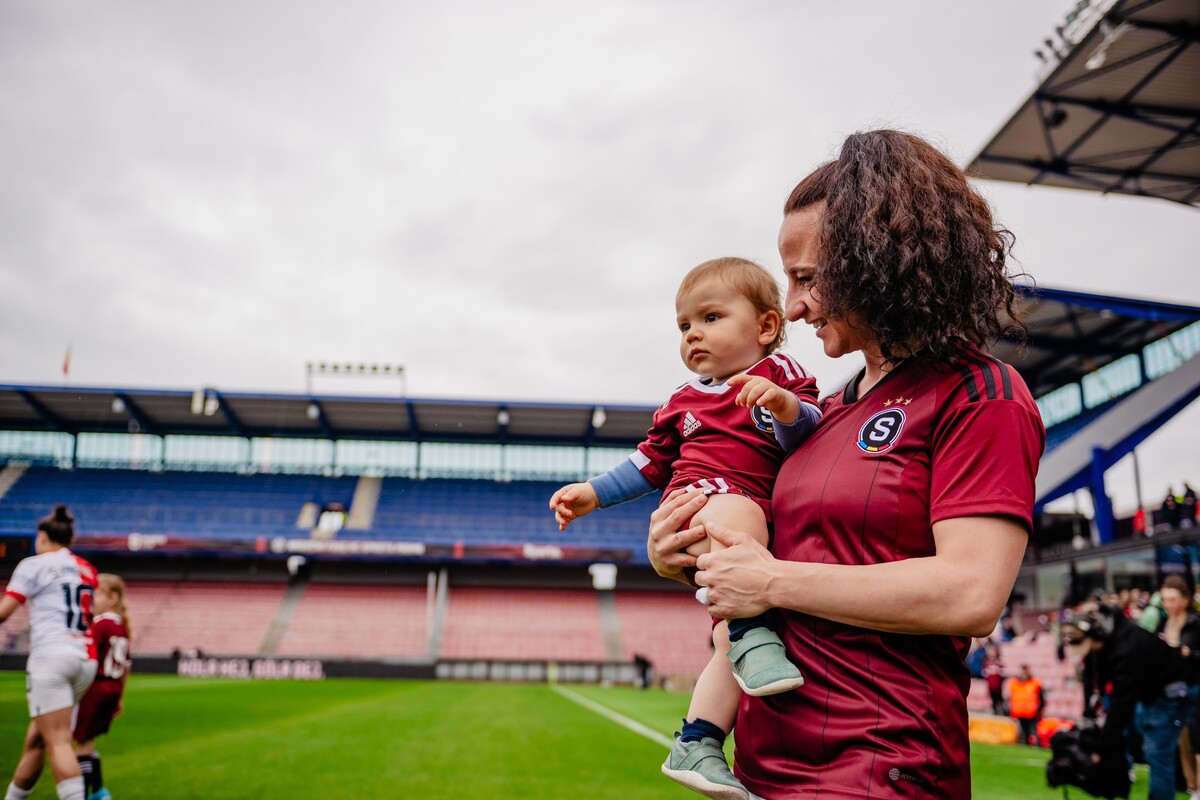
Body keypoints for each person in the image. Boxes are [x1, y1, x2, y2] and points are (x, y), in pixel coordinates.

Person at [647, 129, 1045, 799]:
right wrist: (681, 551)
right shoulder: (821, 412)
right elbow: (761, 552)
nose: (795, 306)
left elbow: (972, 593)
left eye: (808, 279)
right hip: (764, 771)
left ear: (877, 263)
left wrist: (773, 581)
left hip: (880, 770)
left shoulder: (981, 393)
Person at [549, 256, 821, 799]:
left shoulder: (778, 376)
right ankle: (750, 632)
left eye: (711, 317)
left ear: (766, 327)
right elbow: (648, 465)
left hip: (741, 527)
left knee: (722, 642)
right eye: (683, 325)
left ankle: (697, 740)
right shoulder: (682, 402)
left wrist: (787, 409)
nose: (694, 332)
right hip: (696, 503)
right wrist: (593, 494)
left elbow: (809, 436)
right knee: (738, 520)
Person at [0, 505, 98, 800]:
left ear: (42, 536)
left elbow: (4, 612)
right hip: (84, 659)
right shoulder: (87, 568)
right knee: (37, 740)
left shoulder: (35, 564)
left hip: (52, 656)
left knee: (57, 741)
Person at [1063, 602, 1195, 800]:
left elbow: (1121, 704)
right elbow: (1093, 679)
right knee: (1147, 744)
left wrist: (1102, 746)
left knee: (1157, 754)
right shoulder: (1105, 642)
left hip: (1171, 691)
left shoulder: (1126, 649)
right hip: (1151, 692)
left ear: (1097, 636)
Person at [74, 573, 132, 800]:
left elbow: (88, 659)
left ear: (112, 598)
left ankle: (82, 793)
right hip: (113, 688)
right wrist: (120, 697)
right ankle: (98, 791)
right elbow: (127, 666)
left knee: (82, 744)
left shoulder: (100, 624)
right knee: (90, 740)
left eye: (97, 594)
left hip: (95, 688)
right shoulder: (122, 626)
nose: (93, 598)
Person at [1153, 574, 1200, 800]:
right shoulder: (1163, 622)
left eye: (1172, 599)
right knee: (1180, 741)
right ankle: (1190, 784)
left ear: (1185, 599)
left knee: (1198, 740)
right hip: (1172, 690)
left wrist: (1188, 652)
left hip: (1195, 687)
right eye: (1165, 600)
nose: (1168, 605)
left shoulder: (1195, 622)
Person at [1008, 664, 1045, 746]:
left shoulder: (1035, 683)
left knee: (1034, 731)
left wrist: (1039, 710)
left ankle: (1037, 745)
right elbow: (1011, 697)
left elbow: (1041, 698)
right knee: (1023, 734)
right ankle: (1024, 744)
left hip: (1032, 713)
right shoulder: (1014, 683)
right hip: (1019, 713)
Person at [982, 643, 1007, 716]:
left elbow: (1004, 672)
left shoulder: (999, 661)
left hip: (998, 685)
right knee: (993, 700)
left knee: (999, 700)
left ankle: (1002, 712)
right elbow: (984, 673)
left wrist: (997, 670)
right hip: (991, 685)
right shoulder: (986, 662)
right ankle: (995, 713)